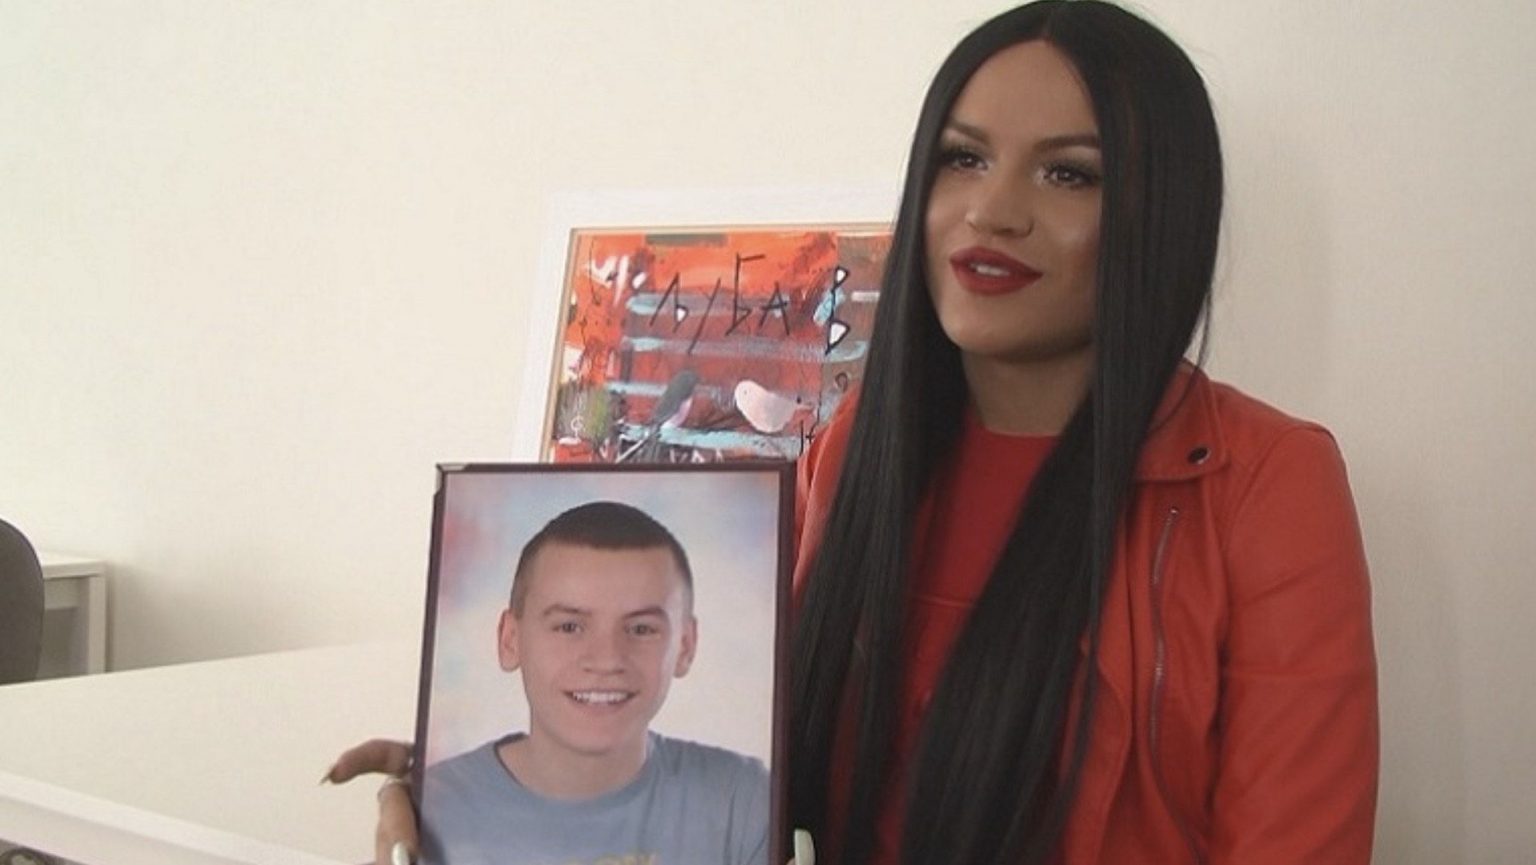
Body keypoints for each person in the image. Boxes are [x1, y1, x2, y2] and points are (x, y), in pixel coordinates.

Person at [332, 2, 1377, 863]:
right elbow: (758, 777)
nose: (992, 211)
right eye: (962, 159)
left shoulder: (1266, 485)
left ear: (1161, 211)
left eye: (1069, 173)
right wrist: (493, 791)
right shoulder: (850, 454)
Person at [409, 501, 769, 865]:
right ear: (510, 640)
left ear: (686, 646)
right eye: (569, 627)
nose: (607, 660)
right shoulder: (432, 808)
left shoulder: (743, 800)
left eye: (641, 629)